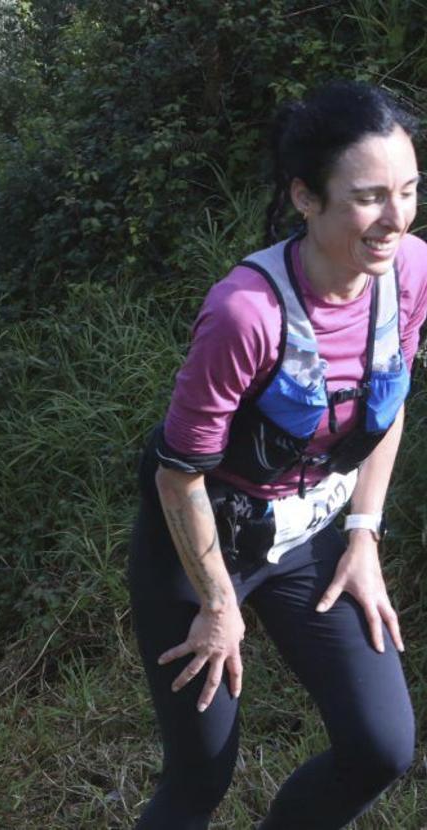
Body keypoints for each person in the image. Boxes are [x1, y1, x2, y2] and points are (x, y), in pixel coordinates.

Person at [129, 80, 427, 828]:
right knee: (201, 776)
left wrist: (364, 535)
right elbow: (177, 473)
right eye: (368, 198)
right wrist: (220, 605)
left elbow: (387, 405)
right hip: (200, 543)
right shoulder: (246, 313)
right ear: (305, 198)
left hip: (308, 536)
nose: (395, 219)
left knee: (381, 744)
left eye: (410, 191)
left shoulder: (412, 273)